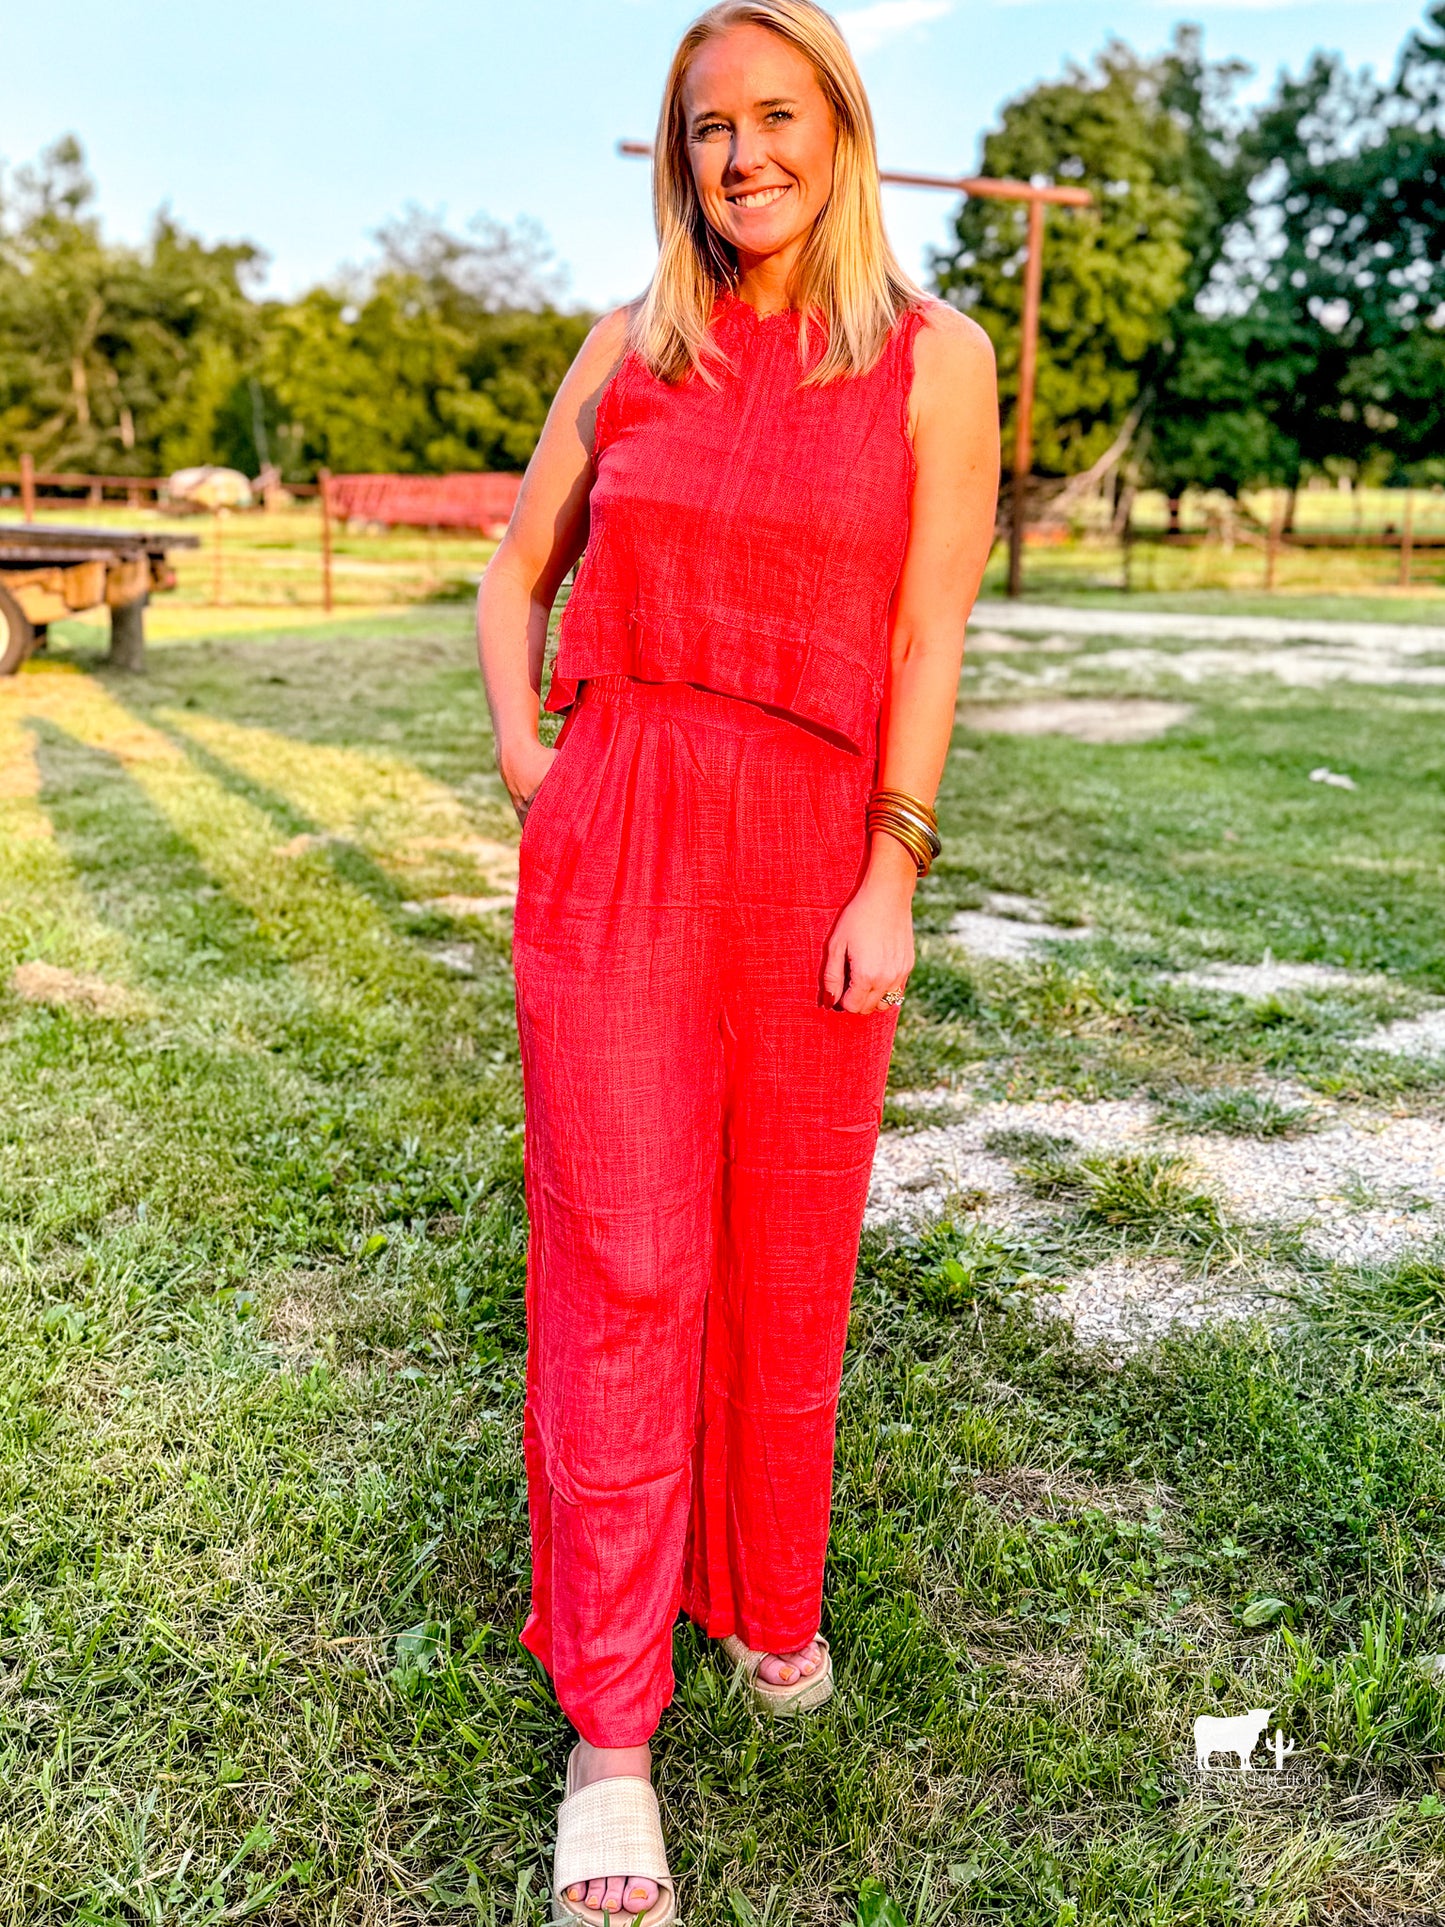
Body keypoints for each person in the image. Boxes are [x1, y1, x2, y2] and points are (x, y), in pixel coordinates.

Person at [476, 3, 998, 1918]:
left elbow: (929, 642)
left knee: (784, 1251)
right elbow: (514, 566)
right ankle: (610, 1743)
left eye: (774, 117)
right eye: (707, 127)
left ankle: (769, 1598)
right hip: (619, 824)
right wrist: (537, 762)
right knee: (621, 1258)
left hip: (809, 855)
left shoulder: (939, 360)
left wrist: (896, 869)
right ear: (675, 155)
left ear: (841, 132)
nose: (741, 155)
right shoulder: (629, 348)